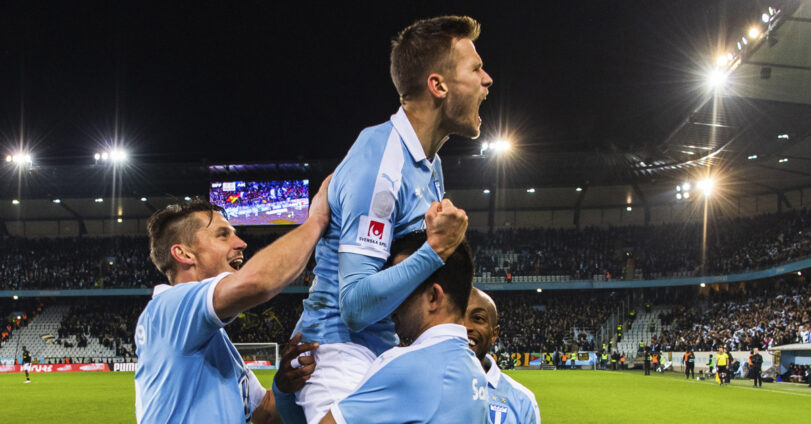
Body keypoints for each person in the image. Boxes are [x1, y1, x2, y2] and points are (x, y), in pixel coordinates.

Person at [290, 15, 492, 423]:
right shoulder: (383, 163)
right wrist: (434, 251)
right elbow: (354, 305)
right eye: (475, 69)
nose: (486, 80)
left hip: (384, 349)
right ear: (438, 85)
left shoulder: (429, 164)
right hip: (338, 350)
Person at [134, 176, 330, 424]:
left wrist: (283, 384)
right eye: (222, 235)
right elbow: (258, 282)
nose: (242, 243)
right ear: (183, 253)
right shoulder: (168, 308)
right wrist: (317, 221)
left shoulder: (210, 340)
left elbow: (266, 412)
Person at [319, 231, 487, 424]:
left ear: (433, 297)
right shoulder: (475, 371)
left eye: (401, 288)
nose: (391, 302)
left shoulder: (404, 366)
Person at [465, 288, 541, 424]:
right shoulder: (426, 388)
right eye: (458, 318)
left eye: (478, 318)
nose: (466, 326)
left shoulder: (523, 401)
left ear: (494, 334)